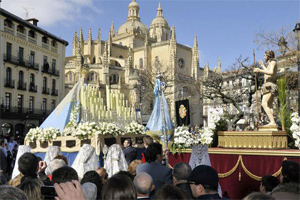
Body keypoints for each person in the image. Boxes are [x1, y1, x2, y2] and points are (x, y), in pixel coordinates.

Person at [253, 50, 277, 127]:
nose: (264, 57)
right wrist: (263, 65)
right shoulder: (270, 63)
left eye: (264, 55)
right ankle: (272, 122)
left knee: (264, 103)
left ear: (268, 55)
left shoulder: (273, 62)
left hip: (269, 85)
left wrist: (259, 70)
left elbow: (270, 72)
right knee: (269, 105)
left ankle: (272, 122)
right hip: (267, 85)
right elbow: (267, 71)